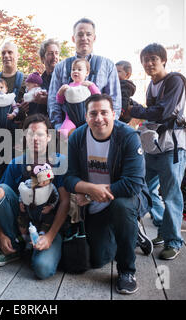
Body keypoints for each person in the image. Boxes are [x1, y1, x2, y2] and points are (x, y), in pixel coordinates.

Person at [64, 94, 151, 294]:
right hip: (93, 200)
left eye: (104, 112)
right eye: (93, 113)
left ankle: (127, 271)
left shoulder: (128, 137)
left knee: (122, 207)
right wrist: (87, 188)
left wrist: (92, 193)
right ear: (86, 117)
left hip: (126, 198)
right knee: (98, 260)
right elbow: (68, 178)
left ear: (114, 114)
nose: (99, 118)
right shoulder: (77, 137)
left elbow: (134, 183)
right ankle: (129, 234)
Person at [125, 43, 186, 261]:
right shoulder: (151, 85)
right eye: (145, 60)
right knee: (145, 188)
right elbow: (151, 113)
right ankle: (163, 230)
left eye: (153, 58)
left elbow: (164, 112)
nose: (149, 63)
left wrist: (135, 109)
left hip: (172, 149)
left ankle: (174, 241)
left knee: (171, 195)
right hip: (153, 148)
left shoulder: (175, 80)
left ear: (163, 60)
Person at [0, 113, 70, 280]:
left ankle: (36, 248)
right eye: (30, 134)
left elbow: (65, 201)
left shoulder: (60, 162)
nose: (35, 138)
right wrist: (2, 233)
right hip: (22, 221)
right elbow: (1, 198)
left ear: (48, 137)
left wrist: (50, 236)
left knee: (43, 269)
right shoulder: (16, 163)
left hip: (48, 224)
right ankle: (15, 243)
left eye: (40, 134)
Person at [48, 18, 121, 131]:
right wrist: (58, 126)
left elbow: (114, 100)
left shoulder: (108, 65)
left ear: (94, 38)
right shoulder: (60, 67)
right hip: (67, 128)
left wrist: (109, 128)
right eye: (80, 34)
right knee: (63, 149)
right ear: (73, 38)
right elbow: (53, 100)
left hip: (100, 129)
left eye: (88, 34)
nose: (84, 38)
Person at [56, 58, 101, 137]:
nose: (75, 71)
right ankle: (62, 149)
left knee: (90, 134)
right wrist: (60, 92)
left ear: (87, 73)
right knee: (63, 133)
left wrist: (91, 85)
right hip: (70, 118)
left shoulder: (87, 85)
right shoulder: (67, 87)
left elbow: (98, 96)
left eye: (79, 69)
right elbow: (59, 101)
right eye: (73, 69)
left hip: (87, 118)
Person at [17, 163, 59, 239]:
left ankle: (42, 233)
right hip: (28, 208)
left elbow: (56, 197)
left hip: (43, 209)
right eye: (42, 181)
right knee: (22, 219)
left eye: (47, 180)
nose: (45, 183)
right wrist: (20, 202)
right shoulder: (28, 183)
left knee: (48, 219)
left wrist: (51, 207)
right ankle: (23, 236)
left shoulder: (51, 187)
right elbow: (21, 192)